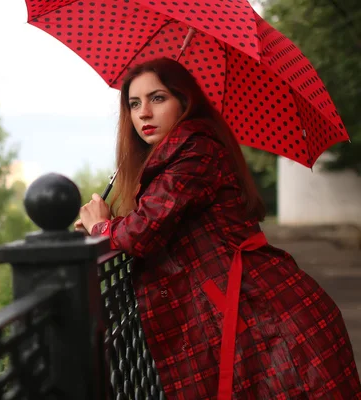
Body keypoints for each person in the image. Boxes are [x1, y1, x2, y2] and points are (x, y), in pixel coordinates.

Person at [75, 57, 361, 399]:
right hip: (249, 316)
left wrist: (102, 227)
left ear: (185, 101)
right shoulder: (179, 157)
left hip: (268, 321)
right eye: (134, 104)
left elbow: (143, 231)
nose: (144, 114)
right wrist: (111, 224)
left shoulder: (196, 149)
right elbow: (159, 220)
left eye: (158, 98)